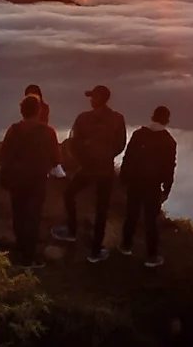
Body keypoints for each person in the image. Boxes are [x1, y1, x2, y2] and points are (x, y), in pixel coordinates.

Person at [51, 84, 126, 262]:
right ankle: (95, 251)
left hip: (88, 168)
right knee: (101, 209)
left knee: (69, 194)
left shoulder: (83, 118)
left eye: (93, 97)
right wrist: (106, 157)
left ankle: (71, 231)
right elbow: (120, 144)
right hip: (106, 169)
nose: (91, 100)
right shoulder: (117, 118)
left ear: (99, 99)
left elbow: (74, 142)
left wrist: (83, 160)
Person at [0, 93, 59, 268]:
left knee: (19, 215)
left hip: (16, 180)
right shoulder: (48, 132)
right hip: (36, 180)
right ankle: (28, 259)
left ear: (21, 110)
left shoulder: (14, 130)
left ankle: (19, 250)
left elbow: (3, 154)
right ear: (38, 110)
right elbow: (56, 158)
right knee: (33, 217)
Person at [118, 105, 177, 267]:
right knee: (151, 220)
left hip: (135, 182)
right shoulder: (169, 141)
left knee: (131, 215)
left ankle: (125, 246)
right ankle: (151, 256)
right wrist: (167, 188)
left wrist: (123, 178)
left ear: (152, 116)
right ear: (167, 120)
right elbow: (169, 166)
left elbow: (128, 157)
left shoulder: (139, 134)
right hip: (153, 185)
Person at [25, 84, 65, 178]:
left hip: (39, 131)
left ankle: (55, 166)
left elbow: (43, 120)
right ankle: (54, 167)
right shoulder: (32, 106)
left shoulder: (43, 107)